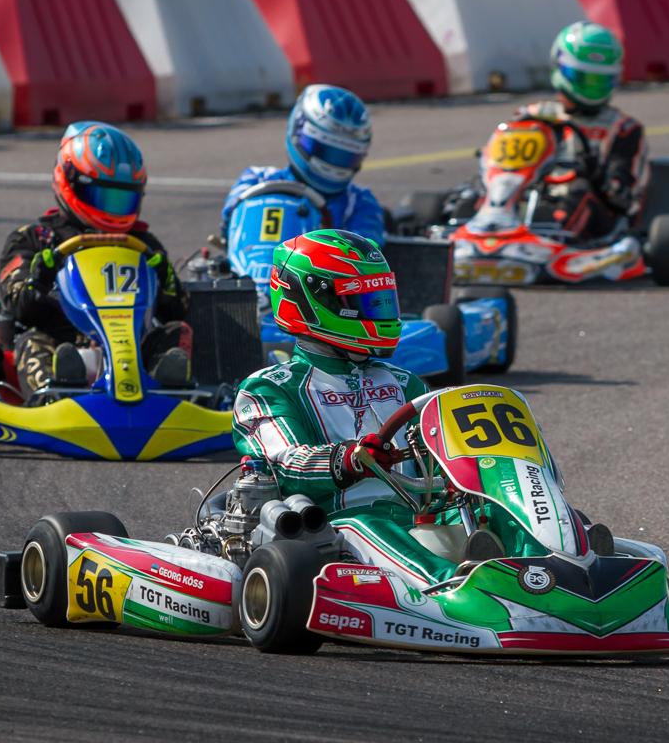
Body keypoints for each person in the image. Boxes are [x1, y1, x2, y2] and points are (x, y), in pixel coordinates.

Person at [232, 230, 545, 588]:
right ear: (312, 301)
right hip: (337, 527)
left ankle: (556, 570)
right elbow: (282, 465)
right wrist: (347, 459)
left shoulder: (403, 382)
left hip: (423, 516)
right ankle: (461, 591)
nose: (379, 311)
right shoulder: (271, 387)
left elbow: (444, 451)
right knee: (374, 525)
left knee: (503, 512)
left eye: (381, 300)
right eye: (365, 301)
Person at [0, 122, 191, 398]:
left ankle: (168, 394)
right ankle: (56, 395)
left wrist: (168, 281)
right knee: (31, 341)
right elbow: (19, 308)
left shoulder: (143, 244)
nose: (112, 209)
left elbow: (177, 312)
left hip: (131, 350)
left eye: (121, 199)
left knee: (178, 331)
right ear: (71, 182)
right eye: (103, 196)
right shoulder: (35, 239)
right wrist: (40, 280)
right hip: (61, 341)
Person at [518, 21, 647, 240]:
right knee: (471, 197)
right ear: (559, 67)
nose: (591, 87)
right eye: (583, 78)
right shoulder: (531, 116)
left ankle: (549, 241)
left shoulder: (623, 129)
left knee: (579, 196)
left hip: (597, 218)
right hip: (534, 198)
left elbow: (622, 199)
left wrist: (595, 175)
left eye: (599, 80)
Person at [220, 85, 386, 246]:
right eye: (325, 150)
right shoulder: (256, 180)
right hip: (252, 263)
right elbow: (229, 227)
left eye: (346, 157)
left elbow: (364, 251)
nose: (333, 162)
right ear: (298, 132)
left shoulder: (359, 202)